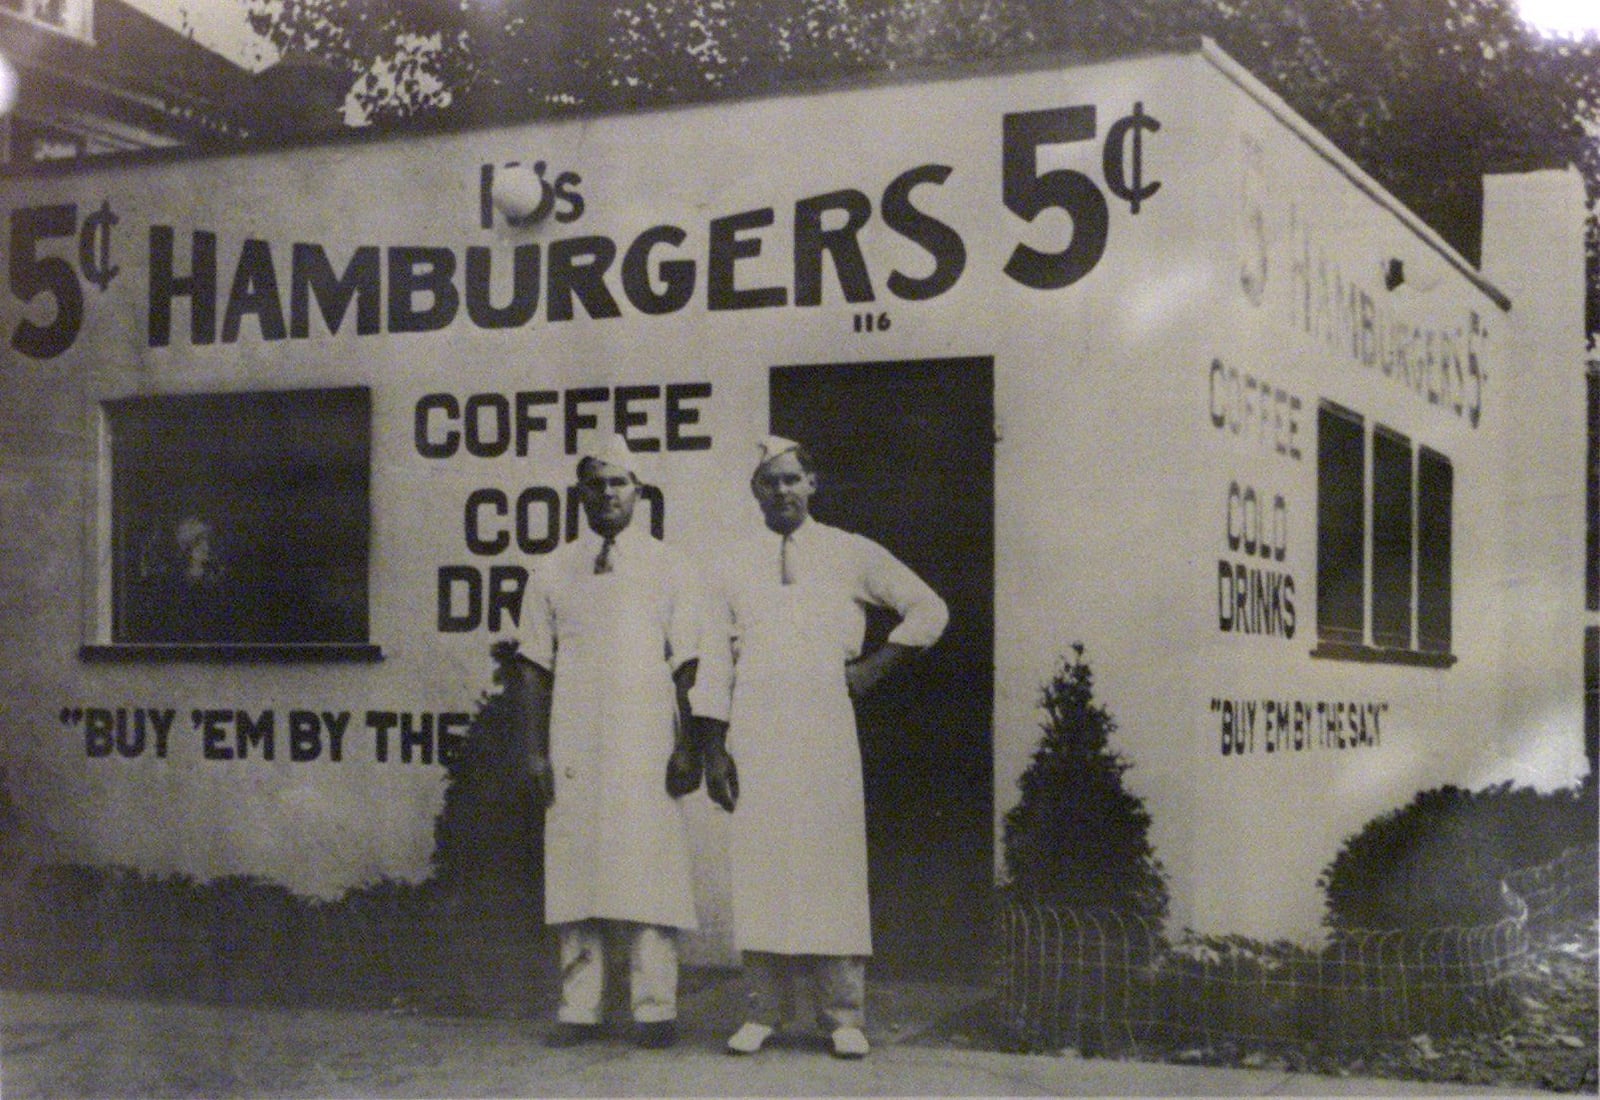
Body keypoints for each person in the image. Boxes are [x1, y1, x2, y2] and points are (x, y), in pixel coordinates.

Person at [690, 436, 949, 1059]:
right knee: (761, 862)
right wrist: (714, 750)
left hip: (823, 723)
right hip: (754, 725)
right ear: (755, 490)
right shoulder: (728, 564)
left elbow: (928, 608)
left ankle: (842, 1015)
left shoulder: (849, 552)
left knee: (830, 860)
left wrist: (875, 669)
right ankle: (762, 1011)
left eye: (791, 480)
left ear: (813, 484)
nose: (781, 492)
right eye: (768, 482)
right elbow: (713, 662)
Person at [500, 434, 704, 1049]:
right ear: (580, 494)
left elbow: (688, 662)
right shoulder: (552, 569)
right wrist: (534, 749)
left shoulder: (672, 566)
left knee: (650, 866)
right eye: (595, 484)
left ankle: (653, 1007)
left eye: (619, 483)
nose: (607, 494)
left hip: (646, 737)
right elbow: (534, 664)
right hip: (575, 740)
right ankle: (579, 1007)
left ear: (639, 493)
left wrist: (689, 742)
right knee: (575, 864)